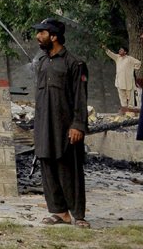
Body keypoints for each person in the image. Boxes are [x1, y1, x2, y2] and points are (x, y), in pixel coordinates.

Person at [32, 17, 89, 228]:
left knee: (69, 169)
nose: (38, 36)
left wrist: (78, 125)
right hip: (44, 125)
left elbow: (80, 98)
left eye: (42, 32)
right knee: (48, 167)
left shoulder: (74, 64)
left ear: (54, 36)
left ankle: (78, 214)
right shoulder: (42, 62)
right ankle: (59, 212)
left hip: (66, 127)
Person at [102, 46, 141, 110]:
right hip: (120, 80)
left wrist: (133, 67)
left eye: (121, 50)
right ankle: (124, 108)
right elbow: (110, 54)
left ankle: (130, 108)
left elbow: (138, 63)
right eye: (119, 50)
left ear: (125, 52)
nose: (119, 51)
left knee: (130, 96)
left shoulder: (130, 59)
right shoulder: (117, 57)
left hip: (128, 80)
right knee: (122, 95)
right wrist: (105, 48)